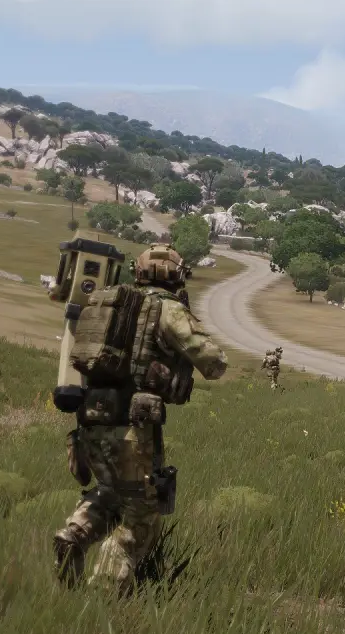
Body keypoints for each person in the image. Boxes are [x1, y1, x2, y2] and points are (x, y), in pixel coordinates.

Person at [53, 244, 228, 596]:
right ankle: (104, 595)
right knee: (140, 515)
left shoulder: (108, 302)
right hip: (134, 430)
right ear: (177, 275)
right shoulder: (168, 309)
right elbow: (214, 363)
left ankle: (74, 533)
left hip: (92, 419)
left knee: (109, 492)